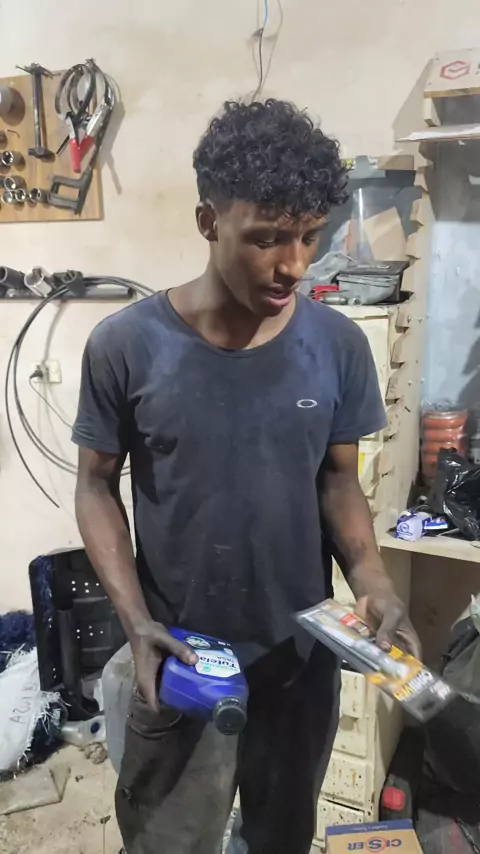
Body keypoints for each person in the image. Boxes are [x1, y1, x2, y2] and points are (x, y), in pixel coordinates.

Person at [73, 99, 420, 854]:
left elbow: (338, 481)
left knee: (281, 838)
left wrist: (372, 580)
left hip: (298, 666)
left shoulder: (337, 347)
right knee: (171, 842)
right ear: (208, 222)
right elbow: (95, 486)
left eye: (308, 236)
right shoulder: (125, 347)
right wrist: (136, 623)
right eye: (265, 238)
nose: (293, 264)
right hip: (183, 661)